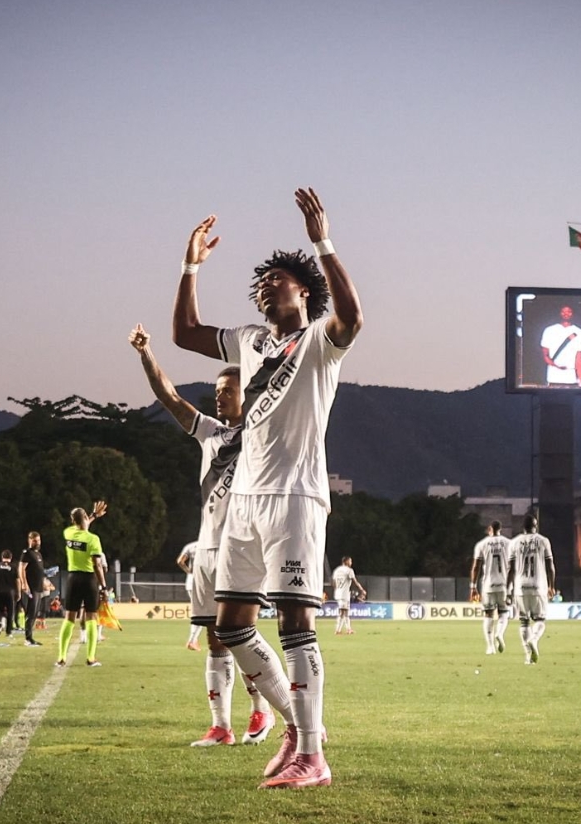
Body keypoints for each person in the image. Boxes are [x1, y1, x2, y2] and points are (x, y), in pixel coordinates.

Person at [172, 188, 363, 789]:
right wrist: (191, 266)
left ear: (302, 289)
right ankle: (295, 725)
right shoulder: (251, 340)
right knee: (228, 625)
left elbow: (353, 317)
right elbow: (185, 333)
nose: (262, 288)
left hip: (295, 499)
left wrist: (322, 242)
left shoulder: (319, 343)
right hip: (245, 504)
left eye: (275, 280)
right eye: (259, 284)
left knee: (296, 625)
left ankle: (314, 755)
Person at [131, 325, 276, 747]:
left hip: (242, 549)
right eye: (217, 389)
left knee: (241, 634)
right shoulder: (211, 433)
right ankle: (221, 726)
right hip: (207, 551)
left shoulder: (261, 436)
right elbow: (170, 397)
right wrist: (146, 354)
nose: (219, 394)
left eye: (227, 389)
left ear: (246, 393)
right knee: (215, 638)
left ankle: (261, 712)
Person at [57, 503, 107, 668]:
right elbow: (97, 565)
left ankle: (61, 658)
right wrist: (104, 587)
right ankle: (91, 658)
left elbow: (81, 527)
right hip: (88, 579)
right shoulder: (93, 539)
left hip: (72, 578)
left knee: (69, 617)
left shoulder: (68, 533)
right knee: (91, 617)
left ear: (72, 521)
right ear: (85, 517)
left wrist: (94, 515)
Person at [506, 515, 556, 666]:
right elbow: (550, 566)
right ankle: (534, 639)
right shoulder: (543, 541)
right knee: (540, 620)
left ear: (523, 527)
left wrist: (508, 590)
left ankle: (528, 655)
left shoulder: (514, 542)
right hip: (538, 585)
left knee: (523, 622)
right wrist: (552, 586)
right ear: (536, 526)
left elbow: (511, 570)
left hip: (520, 586)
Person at [470, 521, 513, 654]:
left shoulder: (482, 544)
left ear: (490, 529)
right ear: (501, 529)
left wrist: (473, 587)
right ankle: (499, 633)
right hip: (504, 584)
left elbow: (476, 567)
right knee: (504, 612)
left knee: (488, 614)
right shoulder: (509, 543)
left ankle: (490, 647)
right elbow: (514, 566)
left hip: (488, 584)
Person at [541, 305, 581, 387]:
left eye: (569, 312)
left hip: (571, 378)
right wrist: (556, 366)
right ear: (559, 313)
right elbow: (545, 355)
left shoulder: (580, 332)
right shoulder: (549, 330)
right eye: (563, 311)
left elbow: (578, 358)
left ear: (572, 313)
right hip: (553, 377)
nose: (566, 314)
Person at [19, 531, 47, 646]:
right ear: (29, 540)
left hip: (38, 587)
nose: (37, 542)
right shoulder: (27, 553)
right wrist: (24, 583)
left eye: (38, 540)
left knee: (35, 612)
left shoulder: (38, 554)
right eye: (35, 540)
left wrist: (44, 582)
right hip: (31, 587)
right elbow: (21, 569)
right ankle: (28, 638)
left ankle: (30, 637)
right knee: (30, 612)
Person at [177, 541, 204, 651]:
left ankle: (194, 639)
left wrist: (189, 572)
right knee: (205, 613)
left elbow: (180, 561)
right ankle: (192, 640)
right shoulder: (211, 545)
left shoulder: (190, 546)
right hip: (204, 583)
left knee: (199, 612)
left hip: (190, 583)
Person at [331, 557, 366, 636]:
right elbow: (355, 582)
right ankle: (337, 630)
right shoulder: (349, 570)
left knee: (346, 612)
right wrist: (362, 590)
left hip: (338, 593)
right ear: (346, 561)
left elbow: (333, 582)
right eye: (350, 561)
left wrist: (337, 589)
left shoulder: (337, 570)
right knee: (342, 612)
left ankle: (348, 629)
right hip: (344, 594)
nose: (351, 563)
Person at [0, 550, 18, 640]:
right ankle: (8, 632)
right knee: (10, 612)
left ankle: (1, 621)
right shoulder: (13, 567)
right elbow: (17, 580)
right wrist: (18, 592)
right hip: (9, 592)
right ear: (11, 557)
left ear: (2, 557)